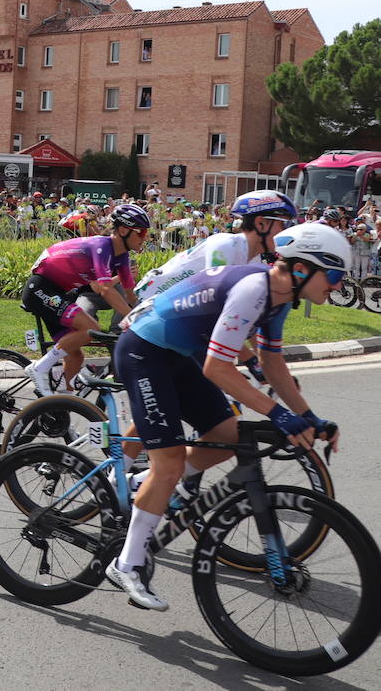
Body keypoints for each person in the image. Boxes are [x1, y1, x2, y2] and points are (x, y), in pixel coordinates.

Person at [105, 222, 346, 611]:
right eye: (333, 275)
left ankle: (146, 487)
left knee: (227, 436)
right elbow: (218, 369)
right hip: (144, 352)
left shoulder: (280, 298)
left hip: (178, 355)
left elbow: (272, 363)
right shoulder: (255, 289)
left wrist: (311, 418)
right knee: (167, 466)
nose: (336, 286)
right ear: (301, 270)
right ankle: (127, 564)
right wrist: (280, 416)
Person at [21, 203, 152, 393]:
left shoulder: (122, 257)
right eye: (141, 232)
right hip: (40, 289)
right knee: (91, 327)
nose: (145, 237)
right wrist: (133, 319)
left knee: (76, 358)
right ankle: (39, 367)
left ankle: (59, 406)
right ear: (123, 230)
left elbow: (131, 295)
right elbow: (105, 289)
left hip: (59, 293)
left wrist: (147, 316)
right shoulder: (102, 247)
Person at [135, 191, 298, 302]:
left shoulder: (255, 261)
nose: (286, 231)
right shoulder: (225, 245)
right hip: (150, 298)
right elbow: (212, 301)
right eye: (283, 224)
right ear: (261, 223)